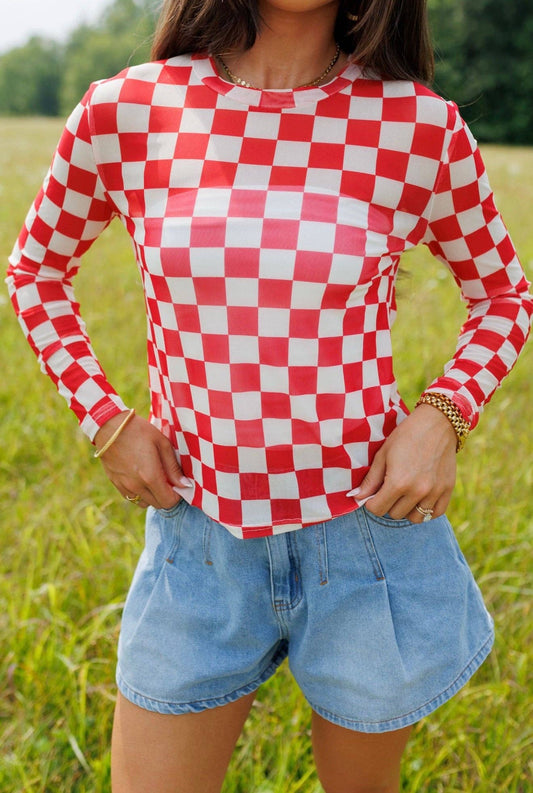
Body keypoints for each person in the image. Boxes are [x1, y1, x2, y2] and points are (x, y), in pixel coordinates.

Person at [7, 1, 532, 791]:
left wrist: (441, 414)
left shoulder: (417, 126)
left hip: (365, 541)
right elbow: (35, 272)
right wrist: (107, 421)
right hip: (199, 544)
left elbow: (502, 295)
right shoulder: (128, 110)